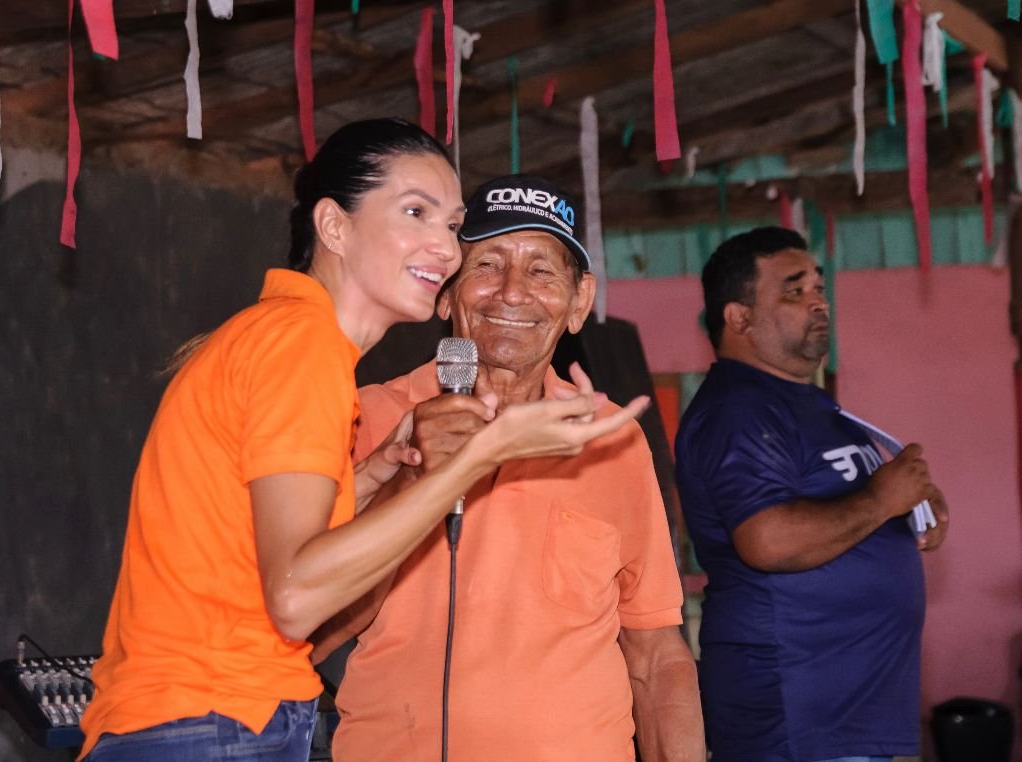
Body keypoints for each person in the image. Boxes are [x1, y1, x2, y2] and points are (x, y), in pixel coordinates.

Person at [78, 122, 647, 761]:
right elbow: (295, 597)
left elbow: (254, 553)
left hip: (205, 719)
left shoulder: (286, 335)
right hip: (213, 722)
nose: (444, 248)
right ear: (334, 226)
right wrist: (481, 457)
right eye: (415, 213)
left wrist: (378, 475)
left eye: (451, 225)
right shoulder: (304, 345)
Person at [314, 174, 704, 761]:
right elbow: (310, 635)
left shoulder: (610, 438)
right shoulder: (366, 419)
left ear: (579, 302)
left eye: (541, 271)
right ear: (445, 292)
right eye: (488, 265)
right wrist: (413, 481)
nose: (512, 293)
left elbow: (655, 654)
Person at [674, 227, 950, 762]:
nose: (818, 302)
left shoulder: (810, 405)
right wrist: (881, 502)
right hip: (796, 711)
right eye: (794, 291)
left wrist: (912, 506)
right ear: (740, 318)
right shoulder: (738, 409)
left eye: (819, 288)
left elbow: (843, 503)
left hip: (843, 709)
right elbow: (768, 539)